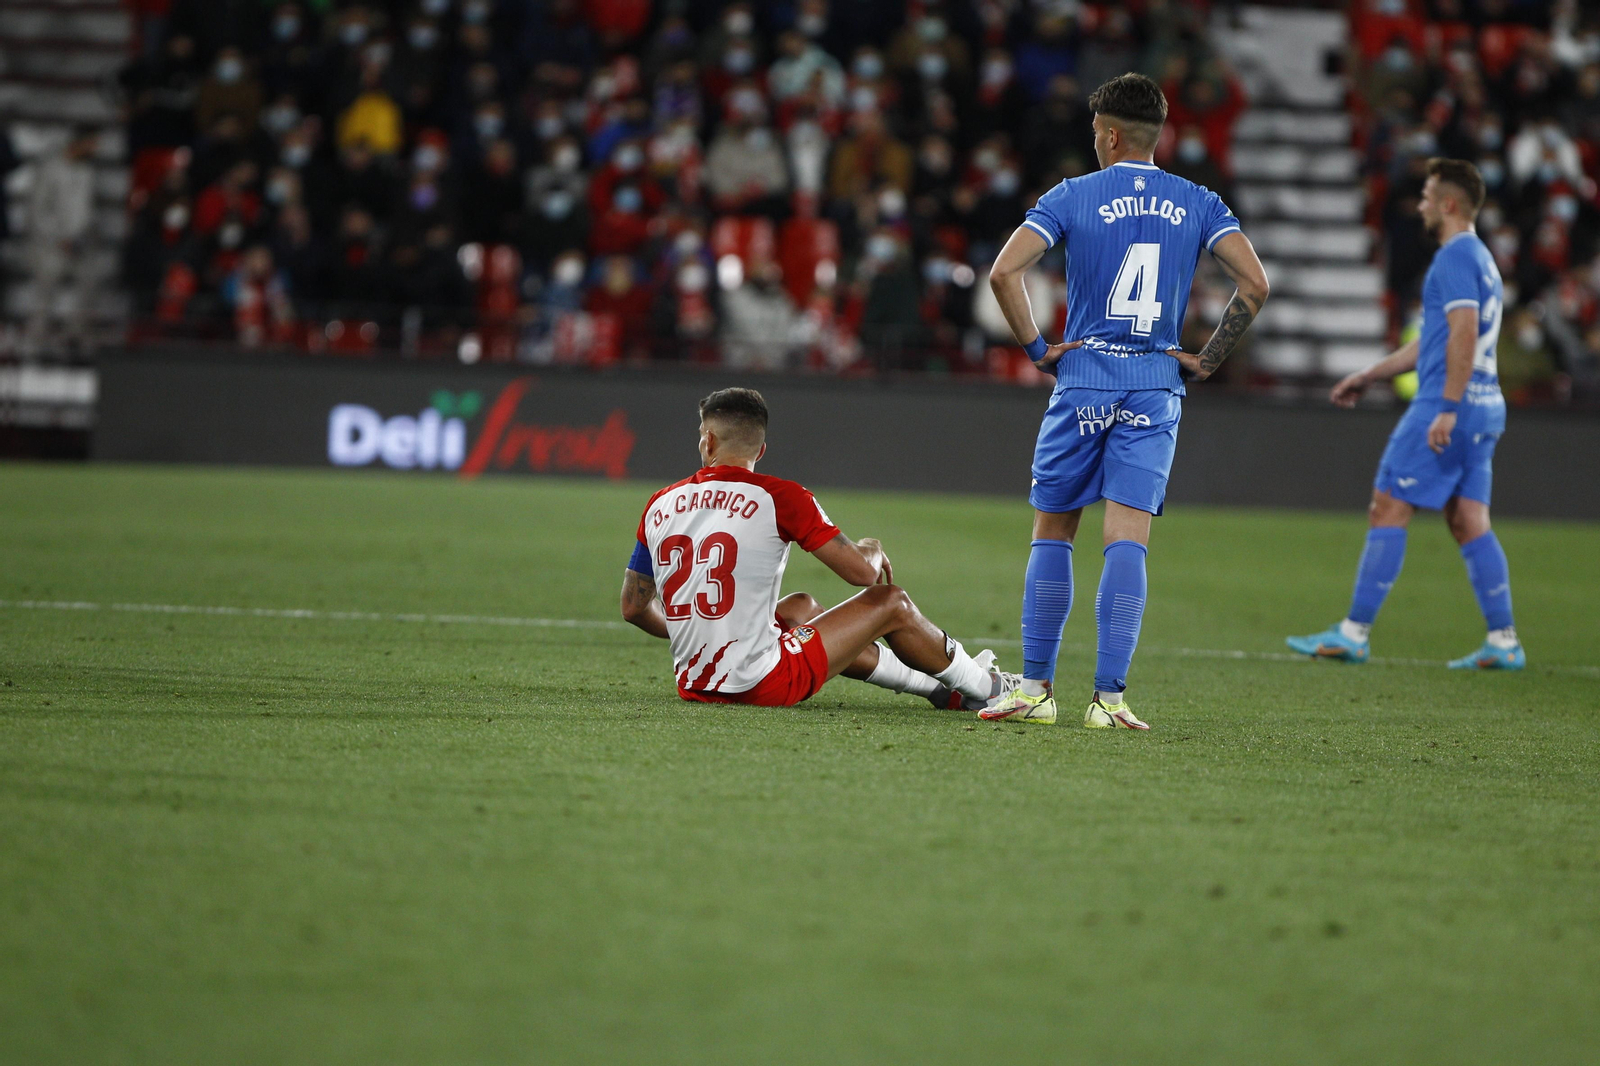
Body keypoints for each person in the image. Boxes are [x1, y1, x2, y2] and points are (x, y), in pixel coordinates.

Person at [983, 73, 1270, 728]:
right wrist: (1208, 358)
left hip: (1082, 378)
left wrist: (1036, 349)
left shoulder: (1072, 195)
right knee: (1127, 541)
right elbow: (1254, 284)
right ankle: (1109, 701)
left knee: (1053, 532)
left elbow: (1004, 272)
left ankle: (1033, 692)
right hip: (1154, 386)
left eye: (1093, 134)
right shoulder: (1198, 200)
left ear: (1109, 135)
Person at [620, 388, 1017, 710]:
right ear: (760, 450)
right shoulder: (781, 497)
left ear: (707, 441)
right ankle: (989, 688)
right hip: (759, 684)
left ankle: (938, 690)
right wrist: (872, 548)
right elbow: (863, 575)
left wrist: (698, 630)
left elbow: (634, 607)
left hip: (694, 682)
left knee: (801, 607)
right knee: (892, 601)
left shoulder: (660, 502)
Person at [1288, 159, 1524, 671]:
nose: (1418, 204)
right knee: (1468, 519)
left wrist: (1446, 408)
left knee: (1388, 505)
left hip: (1448, 406)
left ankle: (1353, 633)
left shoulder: (1453, 258)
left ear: (1449, 204)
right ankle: (1504, 640)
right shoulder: (1482, 259)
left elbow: (1462, 334)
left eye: (1425, 195)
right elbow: (1437, 342)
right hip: (1486, 407)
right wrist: (1372, 373)